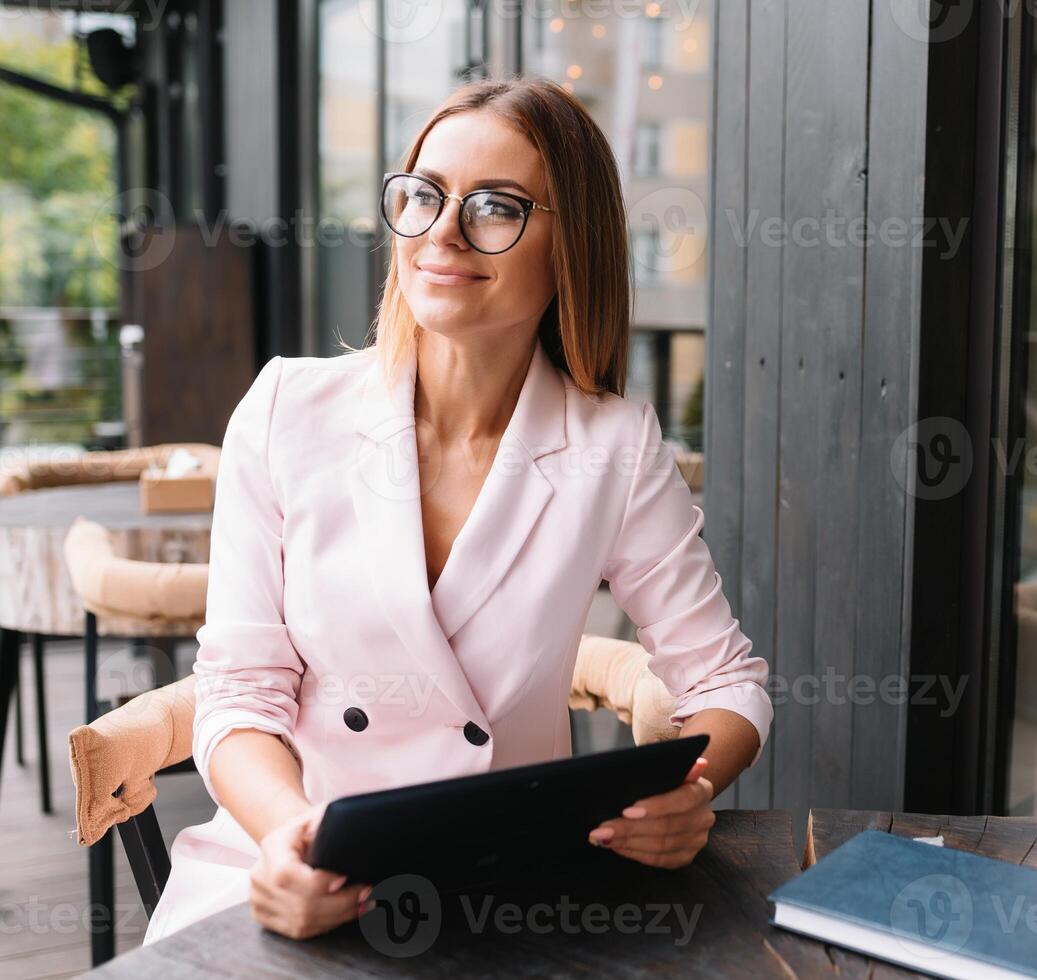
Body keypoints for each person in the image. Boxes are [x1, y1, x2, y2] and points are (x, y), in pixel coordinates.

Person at [143, 76, 772, 944]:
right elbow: (240, 694)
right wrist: (288, 837)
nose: (442, 231)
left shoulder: (614, 447)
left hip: (508, 883)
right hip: (295, 867)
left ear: (571, 246)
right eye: (425, 195)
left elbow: (725, 682)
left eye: (495, 207)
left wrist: (693, 792)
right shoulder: (287, 410)